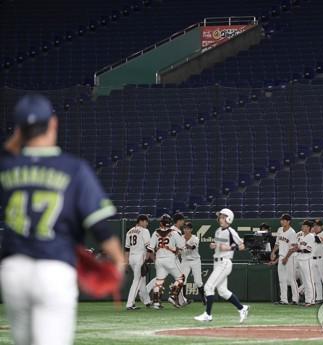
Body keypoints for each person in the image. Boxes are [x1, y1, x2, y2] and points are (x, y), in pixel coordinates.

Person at [0, 94, 124, 345]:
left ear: (19, 131)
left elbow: (8, 152)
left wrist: (16, 140)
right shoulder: (73, 168)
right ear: (53, 124)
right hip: (54, 269)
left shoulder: (7, 166)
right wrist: (119, 258)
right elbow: (98, 226)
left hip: (13, 271)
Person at [194, 208, 249, 323]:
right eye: (220, 216)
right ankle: (242, 308)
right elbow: (219, 245)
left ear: (229, 218)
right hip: (217, 262)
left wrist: (230, 247)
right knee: (223, 291)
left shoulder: (231, 231)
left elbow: (243, 246)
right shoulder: (218, 230)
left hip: (224, 262)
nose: (220, 218)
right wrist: (214, 245)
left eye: (223, 217)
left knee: (208, 287)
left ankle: (208, 315)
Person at [146, 214, 187, 309]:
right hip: (170, 259)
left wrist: (146, 260)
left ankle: (156, 303)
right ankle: (173, 296)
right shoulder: (174, 232)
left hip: (159, 260)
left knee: (159, 281)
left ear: (161, 223)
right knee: (181, 278)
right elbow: (181, 246)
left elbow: (150, 249)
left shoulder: (155, 233)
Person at [270, 214, 299, 305]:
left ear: (288, 221)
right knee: (282, 279)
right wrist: (273, 252)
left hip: (290, 257)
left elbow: (294, 248)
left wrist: (286, 257)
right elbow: (277, 243)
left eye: (284, 220)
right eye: (281, 220)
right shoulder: (279, 230)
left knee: (291, 279)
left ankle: (295, 299)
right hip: (282, 256)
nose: (282, 222)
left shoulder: (292, 232)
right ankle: (284, 299)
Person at [125, 214, 152, 310]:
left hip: (131, 258)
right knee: (137, 280)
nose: (147, 223)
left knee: (142, 280)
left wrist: (126, 262)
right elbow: (149, 247)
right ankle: (130, 304)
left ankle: (147, 301)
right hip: (140, 257)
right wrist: (147, 260)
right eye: (146, 221)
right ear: (141, 221)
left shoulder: (129, 231)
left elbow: (127, 249)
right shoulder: (144, 231)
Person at [180, 221, 206, 305]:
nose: (186, 230)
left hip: (195, 261)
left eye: (188, 228)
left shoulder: (195, 238)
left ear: (191, 229)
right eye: (185, 228)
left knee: (198, 281)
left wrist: (184, 245)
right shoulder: (180, 237)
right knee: (182, 280)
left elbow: (193, 247)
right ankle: (183, 299)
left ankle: (203, 299)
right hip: (185, 261)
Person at [294, 220, 316, 307]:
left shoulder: (311, 236)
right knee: (306, 282)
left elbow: (308, 250)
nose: (302, 227)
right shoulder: (302, 236)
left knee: (309, 281)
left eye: (304, 226)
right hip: (301, 259)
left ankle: (312, 300)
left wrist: (298, 249)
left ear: (308, 227)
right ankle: (308, 300)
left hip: (307, 260)